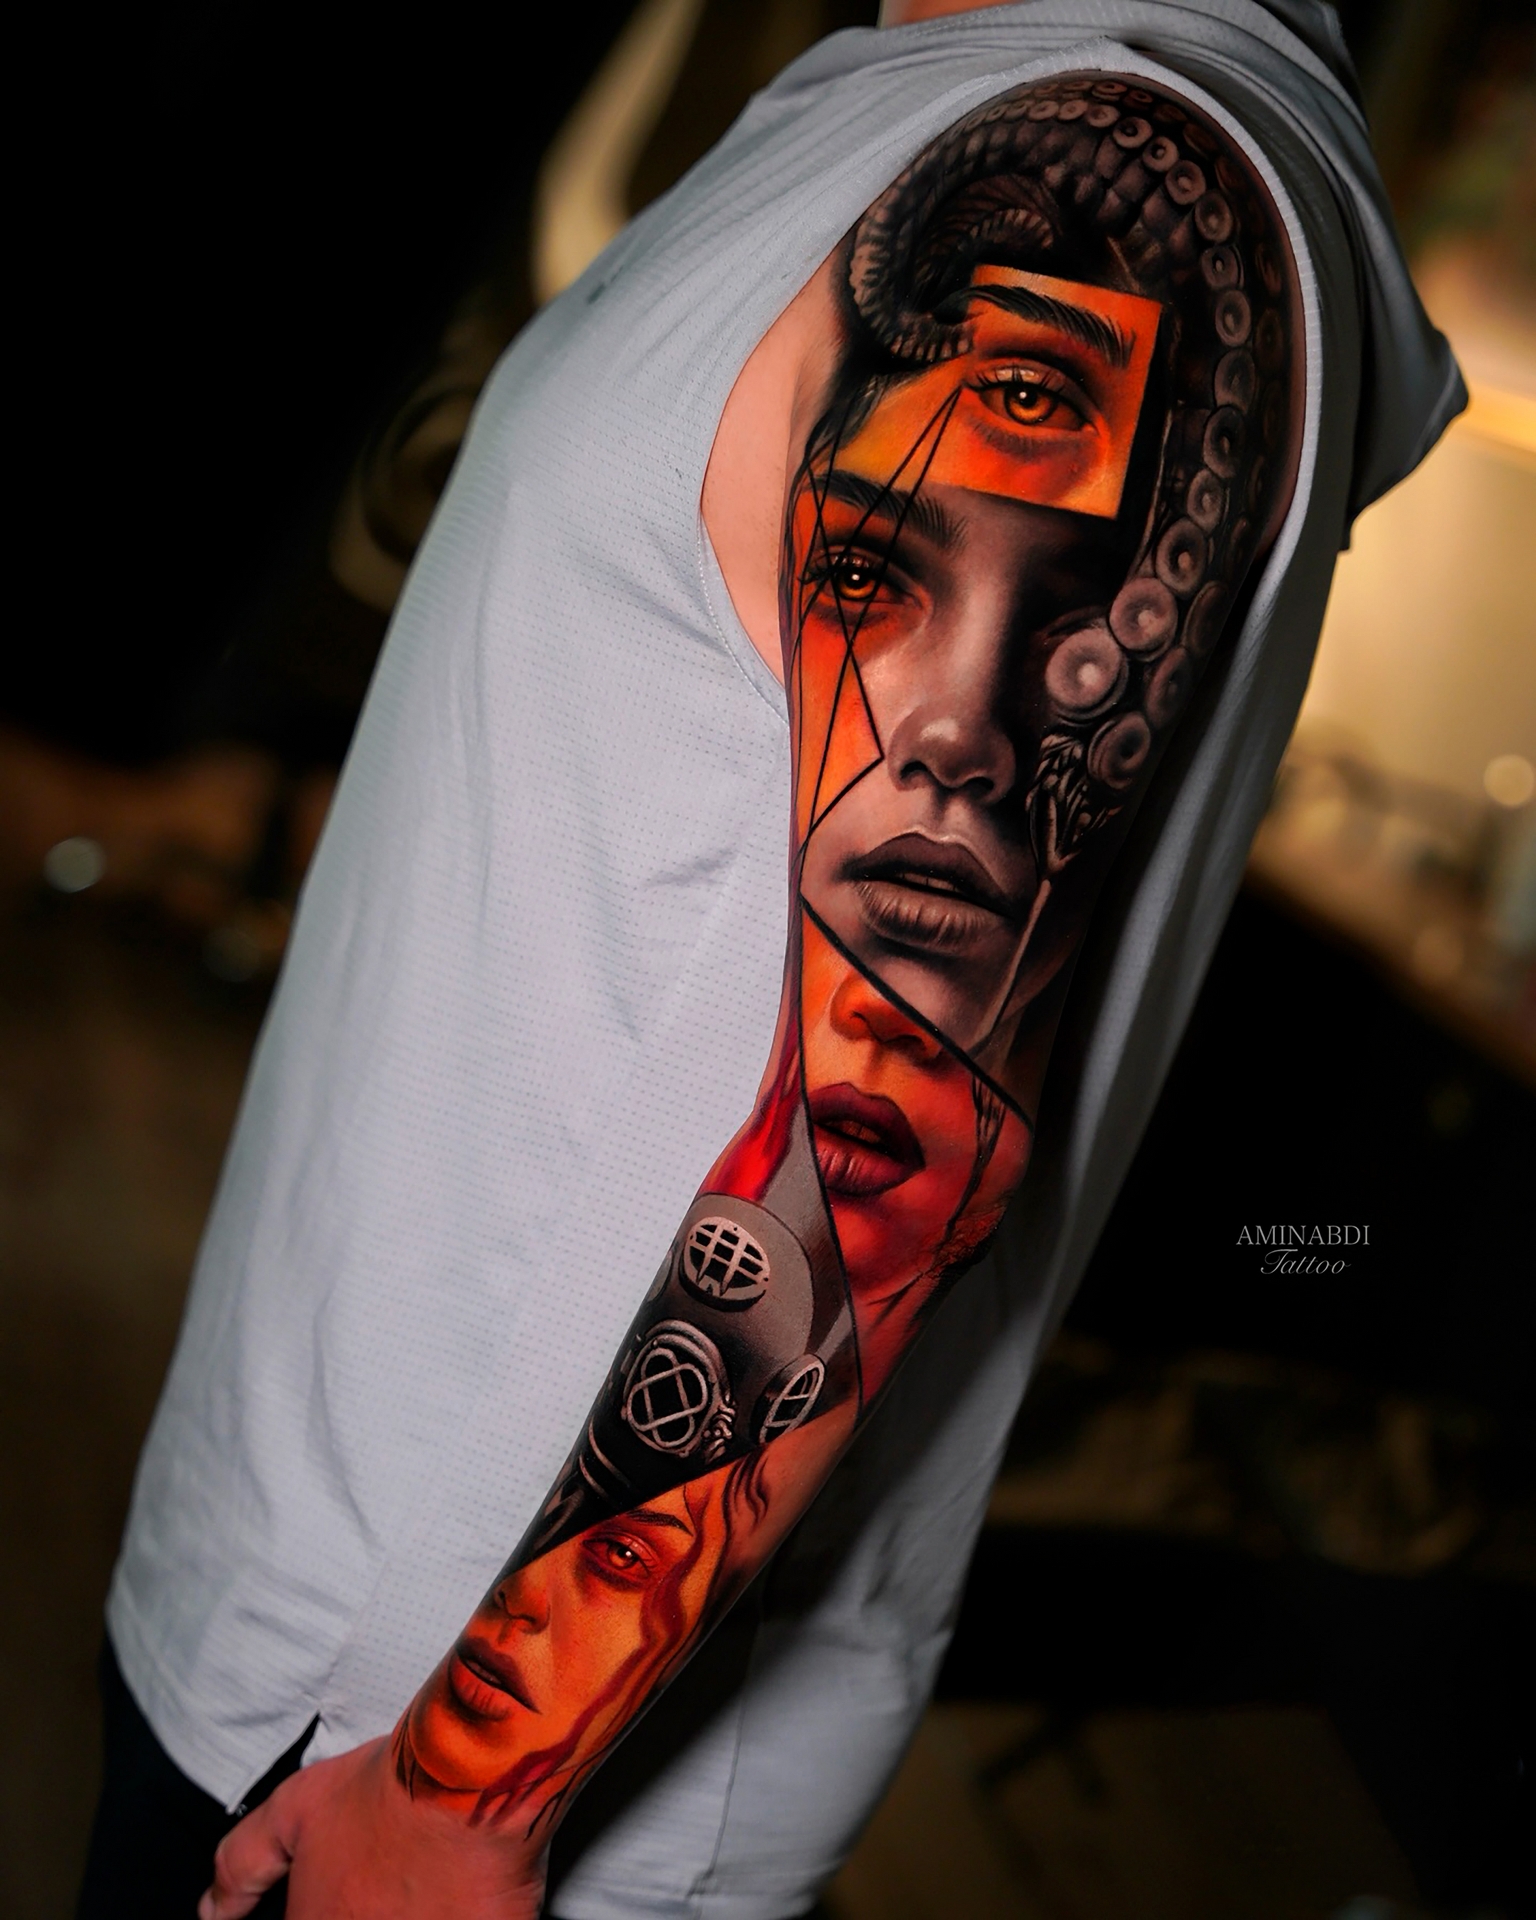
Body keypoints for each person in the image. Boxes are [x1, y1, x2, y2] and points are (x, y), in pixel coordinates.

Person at [80, 3, 1463, 1916]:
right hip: (305, 1586)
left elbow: (884, 1121)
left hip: (398, 1729)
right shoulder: (925, 90)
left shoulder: (1093, 192)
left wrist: (463, 1795)